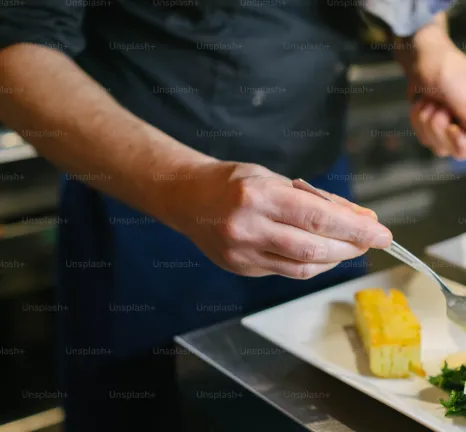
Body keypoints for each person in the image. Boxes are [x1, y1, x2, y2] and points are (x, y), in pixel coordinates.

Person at [0, 0, 463, 430]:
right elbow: (18, 45)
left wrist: (427, 42)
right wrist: (183, 188)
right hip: (146, 205)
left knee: (326, 406)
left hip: (318, 188)